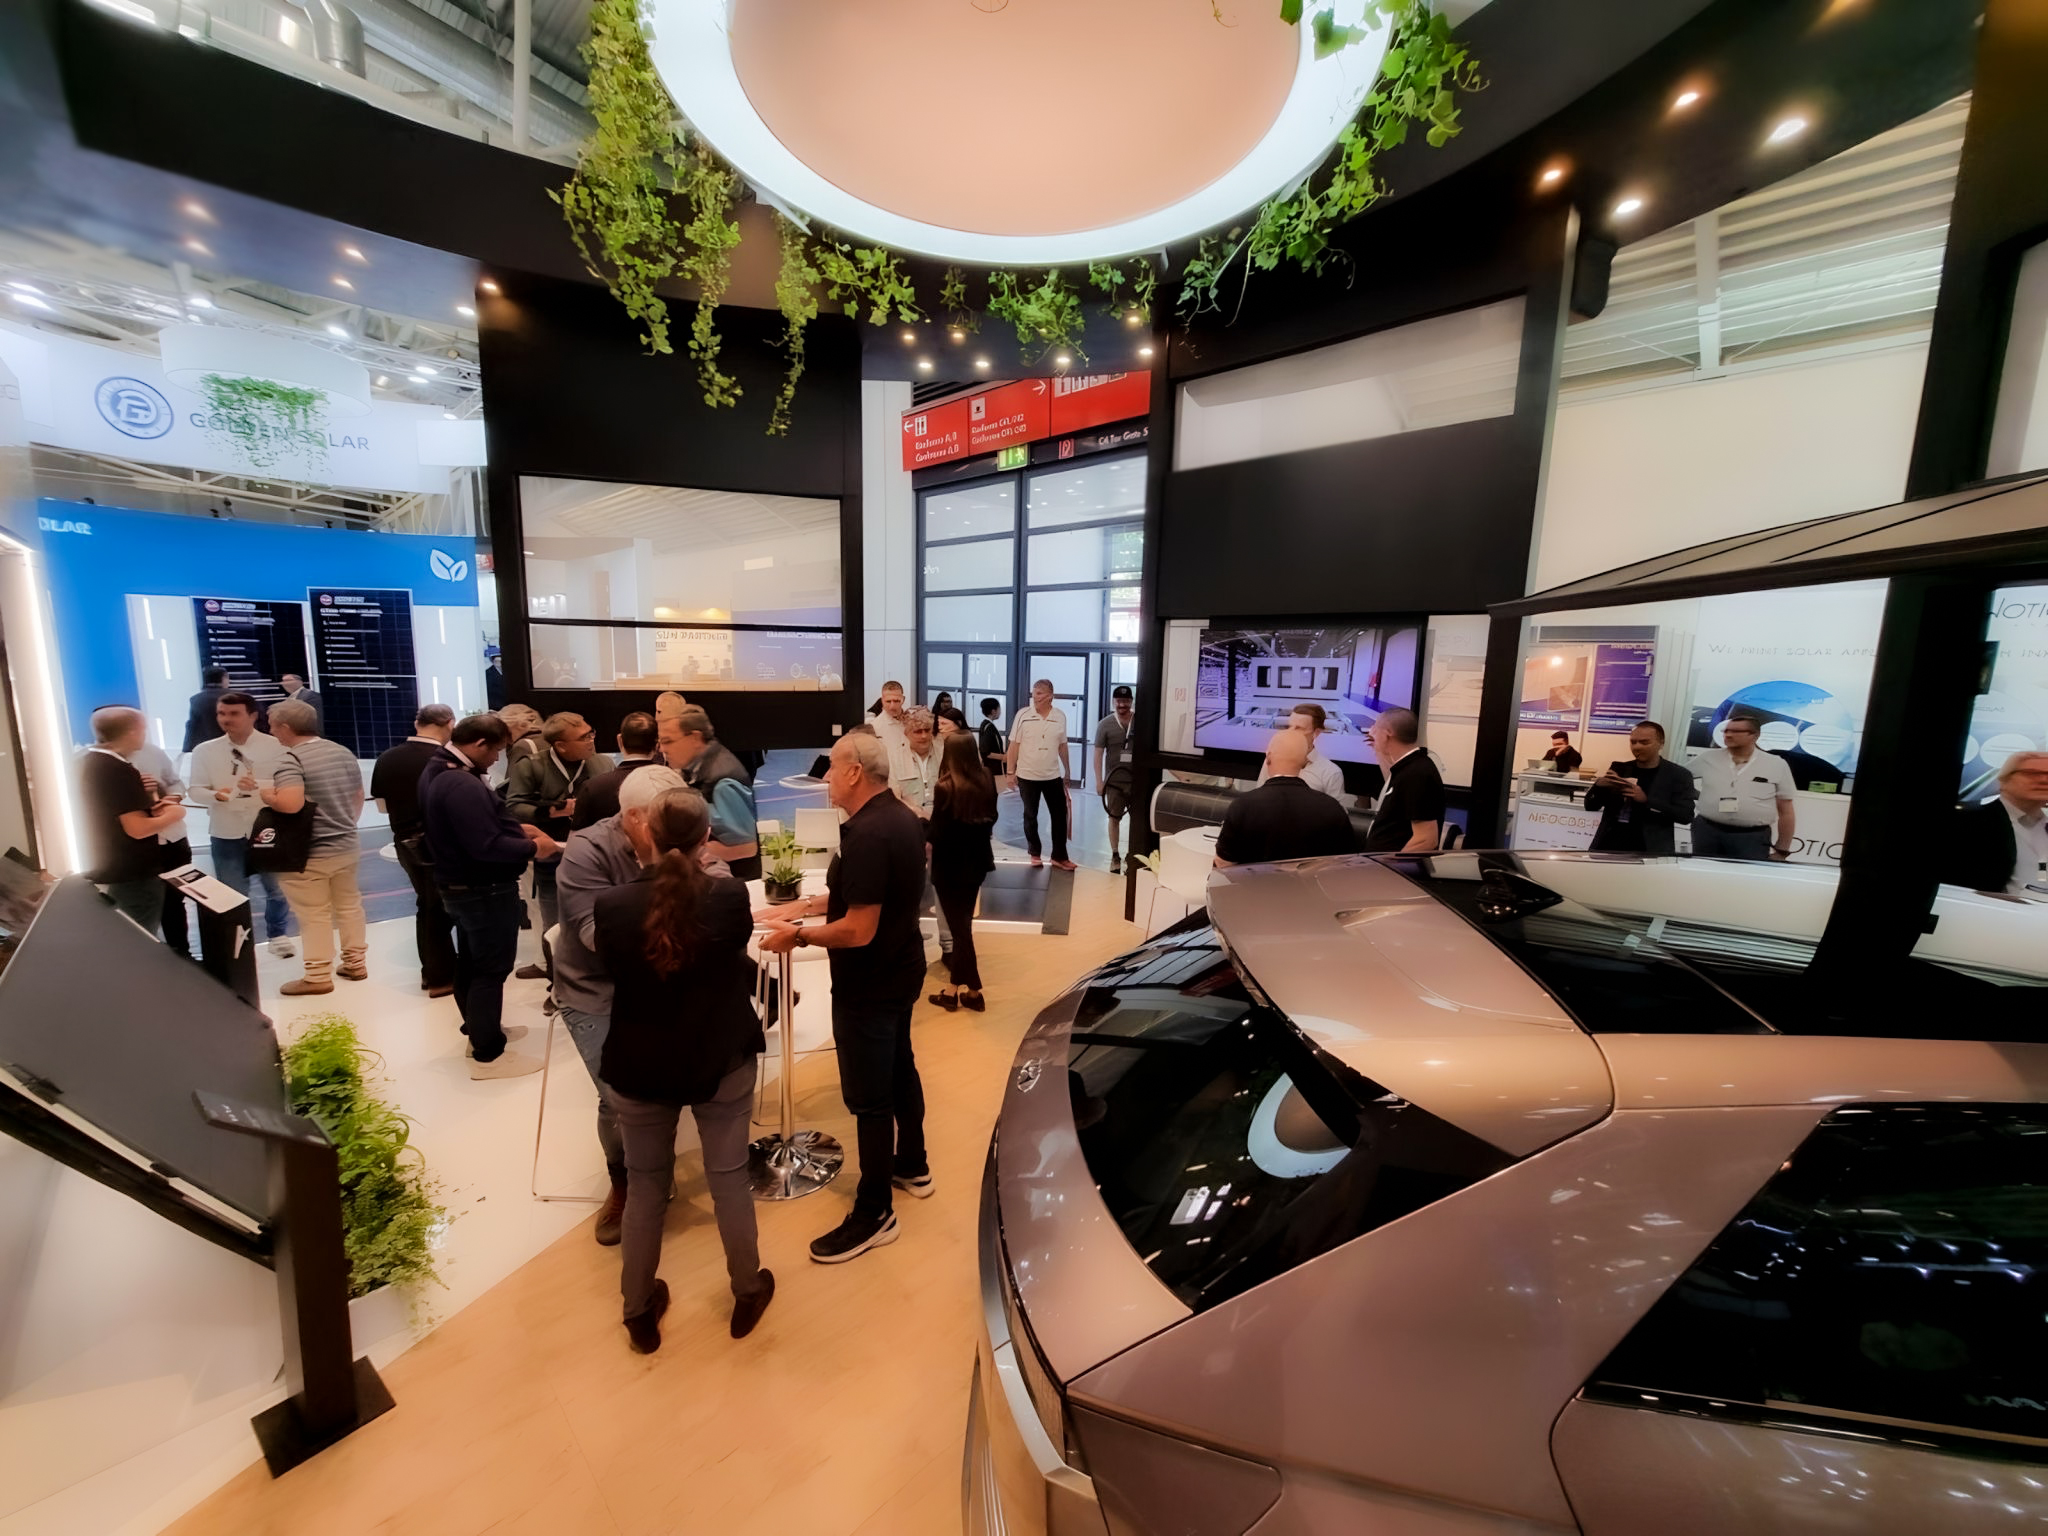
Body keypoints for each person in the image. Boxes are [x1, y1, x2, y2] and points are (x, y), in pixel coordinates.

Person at [592, 784, 772, 1352]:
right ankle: (747, 1289)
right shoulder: (729, 898)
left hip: (639, 1063)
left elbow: (615, 970)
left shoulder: (612, 907)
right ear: (706, 837)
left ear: (646, 832)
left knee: (646, 1186)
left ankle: (637, 1309)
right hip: (720, 1058)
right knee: (728, 1179)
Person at [758, 732, 930, 1265]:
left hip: (870, 982)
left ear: (855, 771)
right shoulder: (898, 817)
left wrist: (798, 936)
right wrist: (807, 905)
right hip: (901, 969)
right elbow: (867, 894)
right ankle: (913, 1164)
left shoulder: (868, 833)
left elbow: (858, 929)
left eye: (832, 767)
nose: (827, 777)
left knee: (870, 1099)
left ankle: (875, 1212)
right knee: (899, 1067)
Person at [555, 763, 694, 1245]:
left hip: (661, 981)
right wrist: (680, 923)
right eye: (664, 819)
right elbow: (596, 938)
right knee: (618, 1096)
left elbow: (713, 875)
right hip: (596, 988)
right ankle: (626, 1181)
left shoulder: (676, 833)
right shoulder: (586, 850)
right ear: (634, 817)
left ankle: (654, 1165)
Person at [420, 713, 557, 1078]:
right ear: (479, 744)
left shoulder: (439, 769)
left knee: (471, 961)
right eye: (495, 751)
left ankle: (480, 1028)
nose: (497, 758)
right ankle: (488, 1053)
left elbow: (474, 830)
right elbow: (486, 845)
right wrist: (533, 848)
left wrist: (511, 828)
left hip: (461, 886)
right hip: (483, 888)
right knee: (490, 970)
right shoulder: (460, 783)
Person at [261, 699, 366, 996]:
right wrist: (345, 824)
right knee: (349, 906)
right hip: (346, 844)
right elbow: (358, 795)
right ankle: (355, 963)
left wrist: (268, 796)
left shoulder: (291, 760)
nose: (271, 731)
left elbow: (291, 804)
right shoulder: (341, 752)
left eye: (272, 726)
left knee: (313, 915)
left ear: (285, 727)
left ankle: (318, 975)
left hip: (308, 852)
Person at [187, 690, 297, 958]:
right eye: (221, 713)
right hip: (226, 831)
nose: (226, 719)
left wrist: (258, 786)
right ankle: (240, 943)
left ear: (252, 716)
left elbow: (290, 784)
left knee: (278, 889)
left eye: (234, 713)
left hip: (269, 829)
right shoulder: (205, 750)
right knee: (233, 894)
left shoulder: (276, 746)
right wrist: (217, 795)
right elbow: (195, 790)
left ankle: (278, 934)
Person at [506, 711, 613, 970]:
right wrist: (552, 811)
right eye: (583, 737)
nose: (591, 740)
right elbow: (513, 806)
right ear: (560, 745)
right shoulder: (531, 765)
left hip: (594, 854)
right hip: (551, 855)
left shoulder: (603, 764)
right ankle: (556, 979)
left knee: (597, 919)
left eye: (591, 733)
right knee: (554, 923)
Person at [371, 703, 458, 996]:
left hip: (405, 841)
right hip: (440, 842)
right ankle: (441, 975)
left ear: (417, 723)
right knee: (442, 908)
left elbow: (382, 807)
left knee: (427, 905)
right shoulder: (445, 759)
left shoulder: (387, 757)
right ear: (449, 723)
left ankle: (433, 972)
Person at [80, 706, 187, 935]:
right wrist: (173, 814)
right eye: (143, 729)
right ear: (131, 732)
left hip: (111, 866)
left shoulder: (88, 762)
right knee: (139, 937)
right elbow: (137, 829)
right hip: (132, 872)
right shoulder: (118, 769)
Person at [1215, 730, 1361, 867]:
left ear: (1268, 757)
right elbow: (1345, 864)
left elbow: (1223, 863)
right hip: (1312, 886)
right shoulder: (1332, 808)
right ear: (1304, 762)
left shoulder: (1242, 806)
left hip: (1253, 886)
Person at [928, 731, 995, 1012]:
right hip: (977, 863)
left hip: (949, 867)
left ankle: (975, 991)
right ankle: (955, 991)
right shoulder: (987, 778)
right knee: (962, 927)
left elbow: (936, 832)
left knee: (960, 931)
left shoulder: (944, 787)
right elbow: (992, 818)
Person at [659, 705, 761, 881]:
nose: (662, 749)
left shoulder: (724, 781)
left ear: (695, 738)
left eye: (668, 741)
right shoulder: (695, 767)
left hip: (732, 882)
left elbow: (748, 847)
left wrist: (716, 852)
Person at [1689, 709, 1798, 861]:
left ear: (1755, 735)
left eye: (1736, 731)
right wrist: (1699, 796)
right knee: (1703, 872)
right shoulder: (1708, 758)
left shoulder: (1776, 764)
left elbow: (1786, 811)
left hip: (1751, 837)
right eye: (1726, 731)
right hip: (1708, 831)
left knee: (1745, 874)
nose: (1728, 735)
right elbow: (1678, 777)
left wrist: (1782, 850)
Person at [127, 733, 196, 959]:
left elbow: (175, 783)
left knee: (175, 900)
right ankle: (146, 959)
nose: (139, 733)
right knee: (143, 902)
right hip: (138, 844)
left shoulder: (153, 751)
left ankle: (182, 954)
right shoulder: (103, 763)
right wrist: (137, 789)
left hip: (173, 839)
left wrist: (170, 796)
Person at [1585, 720, 1697, 855]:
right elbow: (1590, 806)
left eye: (1644, 742)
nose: (1637, 747)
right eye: (1633, 742)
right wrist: (1599, 786)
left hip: (1650, 847)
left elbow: (1685, 816)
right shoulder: (1620, 768)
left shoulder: (1678, 775)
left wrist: (1646, 801)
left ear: (1661, 743)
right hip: (1609, 843)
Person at [1945, 750, 2048, 895]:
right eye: (2031, 773)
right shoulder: (1967, 822)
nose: (2044, 780)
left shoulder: (2044, 828)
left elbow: (2041, 872)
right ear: (2004, 781)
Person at [1008, 679, 1075, 870]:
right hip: (1027, 775)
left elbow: (1062, 746)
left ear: (1050, 696)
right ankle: (1034, 852)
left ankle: (1059, 856)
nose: (1034, 697)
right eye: (1033, 693)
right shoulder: (1023, 715)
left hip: (1052, 775)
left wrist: (1067, 770)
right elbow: (1014, 745)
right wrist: (1010, 772)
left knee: (1060, 815)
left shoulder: (1060, 716)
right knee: (1030, 814)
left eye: (1039, 693)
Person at [1363, 708, 1446, 855]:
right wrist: (1378, 749)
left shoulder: (1417, 774)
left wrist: (1390, 864)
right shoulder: (1407, 767)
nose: (1371, 732)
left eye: (1375, 727)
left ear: (1388, 733)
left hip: (1391, 867)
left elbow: (1426, 839)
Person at [573, 712, 664, 830]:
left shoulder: (592, 788)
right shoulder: (672, 785)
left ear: (619, 740)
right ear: (657, 745)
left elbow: (577, 836)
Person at [1257, 703, 1348, 806]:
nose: (1290, 733)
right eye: (1289, 727)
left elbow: (1337, 813)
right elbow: (1258, 800)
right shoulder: (1273, 759)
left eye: (1299, 728)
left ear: (1316, 733)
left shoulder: (1331, 773)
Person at [1093, 685, 1137, 868]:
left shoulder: (1140, 721)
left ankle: (1133, 854)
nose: (1122, 705)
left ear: (1131, 701)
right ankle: (1115, 855)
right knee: (1114, 818)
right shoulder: (1105, 724)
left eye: (1126, 701)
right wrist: (1099, 781)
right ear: (1113, 702)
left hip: (1136, 781)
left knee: (1137, 820)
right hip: (1113, 782)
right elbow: (1098, 753)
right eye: (1119, 701)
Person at [892, 707, 941, 817]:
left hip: (942, 819)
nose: (924, 736)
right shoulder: (895, 758)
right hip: (910, 819)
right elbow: (894, 797)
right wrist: (918, 813)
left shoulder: (943, 754)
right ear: (906, 733)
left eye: (927, 730)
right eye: (918, 732)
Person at [183, 665, 230, 753]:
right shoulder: (239, 697)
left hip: (208, 751)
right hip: (236, 748)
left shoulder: (196, 700)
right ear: (223, 678)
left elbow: (192, 728)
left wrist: (186, 752)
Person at [872, 681, 910, 773]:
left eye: (896, 701)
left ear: (903, 699)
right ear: (882, 700)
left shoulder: (913, 722)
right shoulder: (874, 727)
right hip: (888, 776)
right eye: (888, 701)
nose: (892, 706)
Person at [978, 697, 1007, 784]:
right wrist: (1004, 757)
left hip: (991, 769)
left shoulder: (986, 724)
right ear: (993, 711)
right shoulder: (989, 727)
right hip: (993, 770)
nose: (1000, 712)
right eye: (999, 709)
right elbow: (985, 752)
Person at [484, 646, 507, 711]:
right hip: (496, 708)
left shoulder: (510, 672)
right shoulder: (488, 674)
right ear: (492, 661)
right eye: (497, 660)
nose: (500, 661)